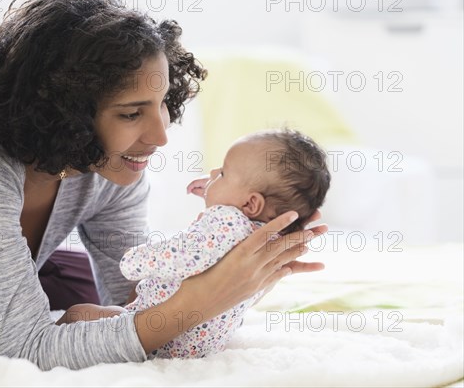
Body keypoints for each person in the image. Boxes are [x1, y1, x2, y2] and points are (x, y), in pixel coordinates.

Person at [0, 0, 327, 370]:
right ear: (61, 113)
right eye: (131, 113)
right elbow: (27, 347)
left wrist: (244, 266)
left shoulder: (109, 163)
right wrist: (203, 299)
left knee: (81, 308)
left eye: (163, 102)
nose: (161, 135)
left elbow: (137, 296)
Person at [62, 130, 331, 359]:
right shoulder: (265, 239)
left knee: (78, 314)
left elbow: (187, 254)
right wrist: (218, 192)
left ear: (250, 204)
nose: (213, 172)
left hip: (161, 328)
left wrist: (135, 261)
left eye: (224, 172)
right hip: (200, 340)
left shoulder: (227, 219)